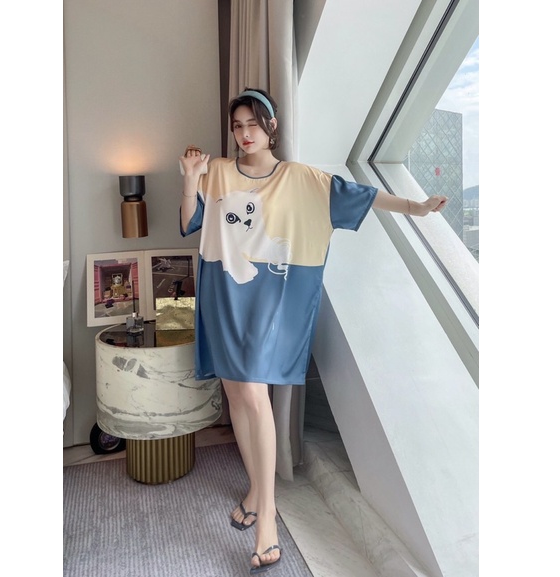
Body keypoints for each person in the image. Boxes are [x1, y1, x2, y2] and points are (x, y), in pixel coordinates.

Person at [179, 88, 447, 574]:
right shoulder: (216, 170)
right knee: (236, 395)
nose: (244, 134)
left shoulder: (300, 178)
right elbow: (190, 223)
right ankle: (256, 492)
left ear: (271, 127)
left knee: (254, 395)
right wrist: (190, 179)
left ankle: (267, 517)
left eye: (253, 124)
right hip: (222, 295)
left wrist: (417, 207)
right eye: (237, 126)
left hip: (266, 303)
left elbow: (361, 196)